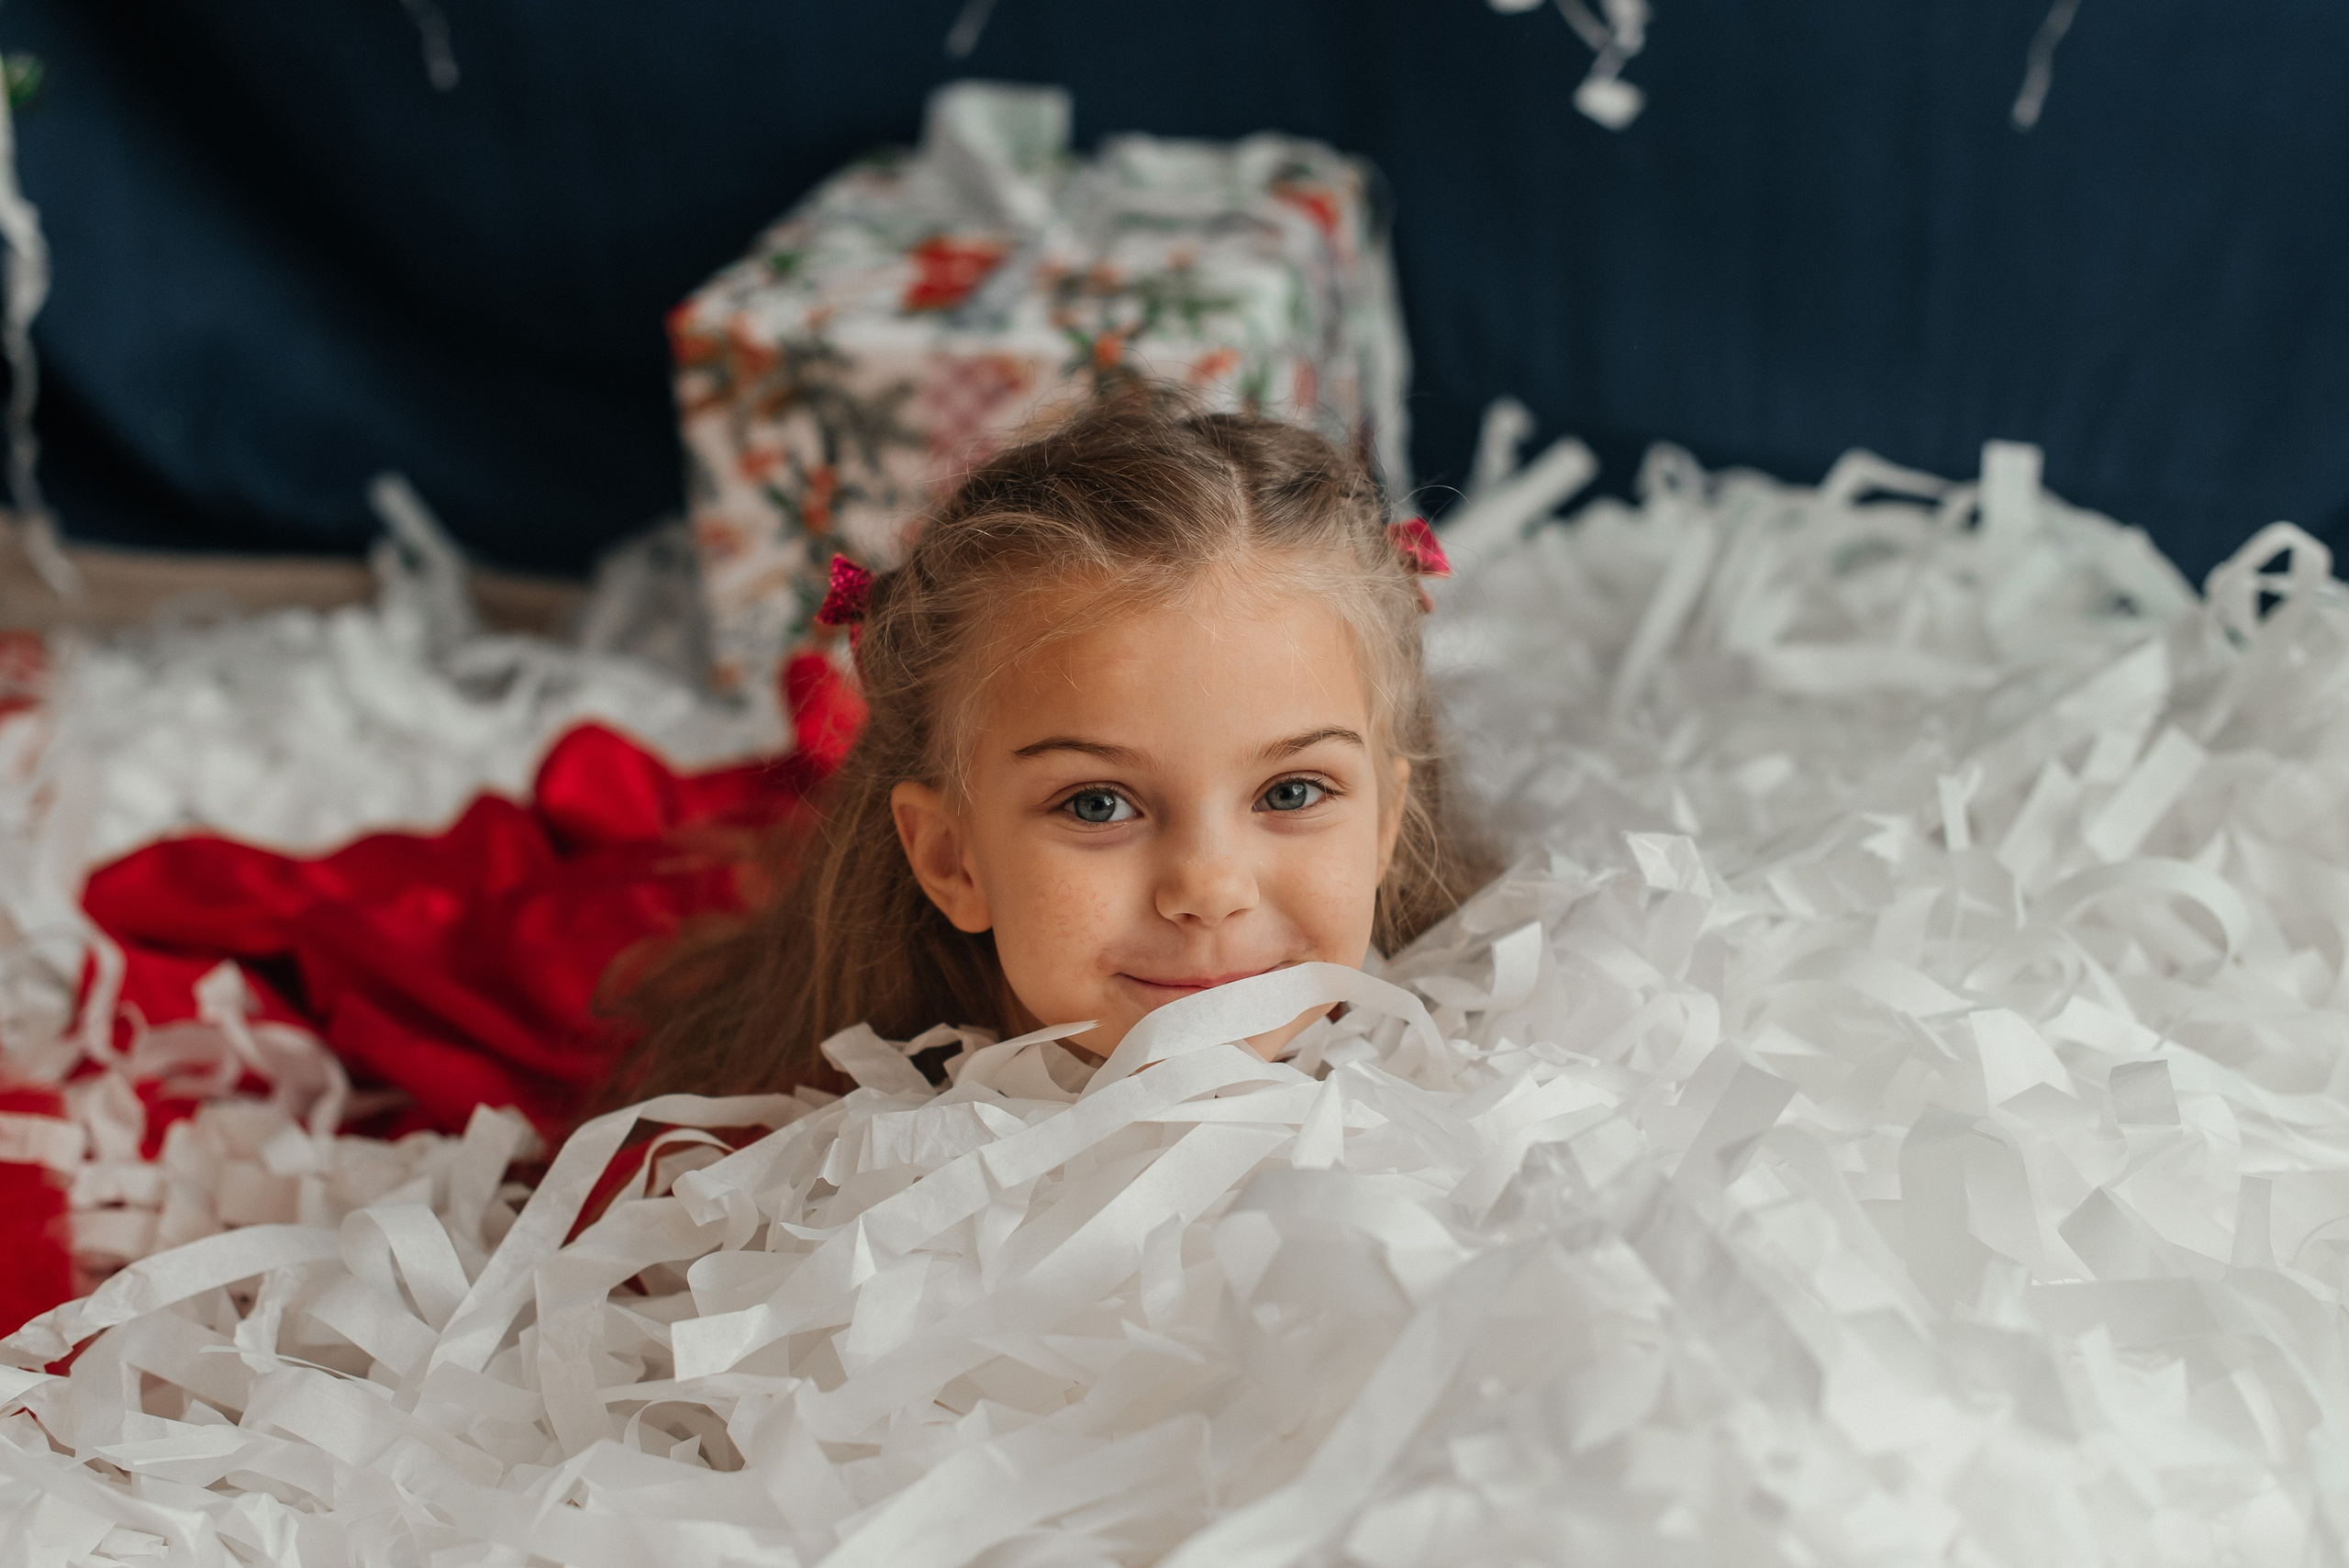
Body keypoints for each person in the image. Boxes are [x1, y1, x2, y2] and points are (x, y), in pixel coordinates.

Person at [614, 388, 1492, 1101]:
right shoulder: (810, 1183)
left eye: (1293, 792)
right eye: (1098, 803)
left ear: (1385, 821)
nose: (1210, 889)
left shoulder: (1476, 1087)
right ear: (953, 860)